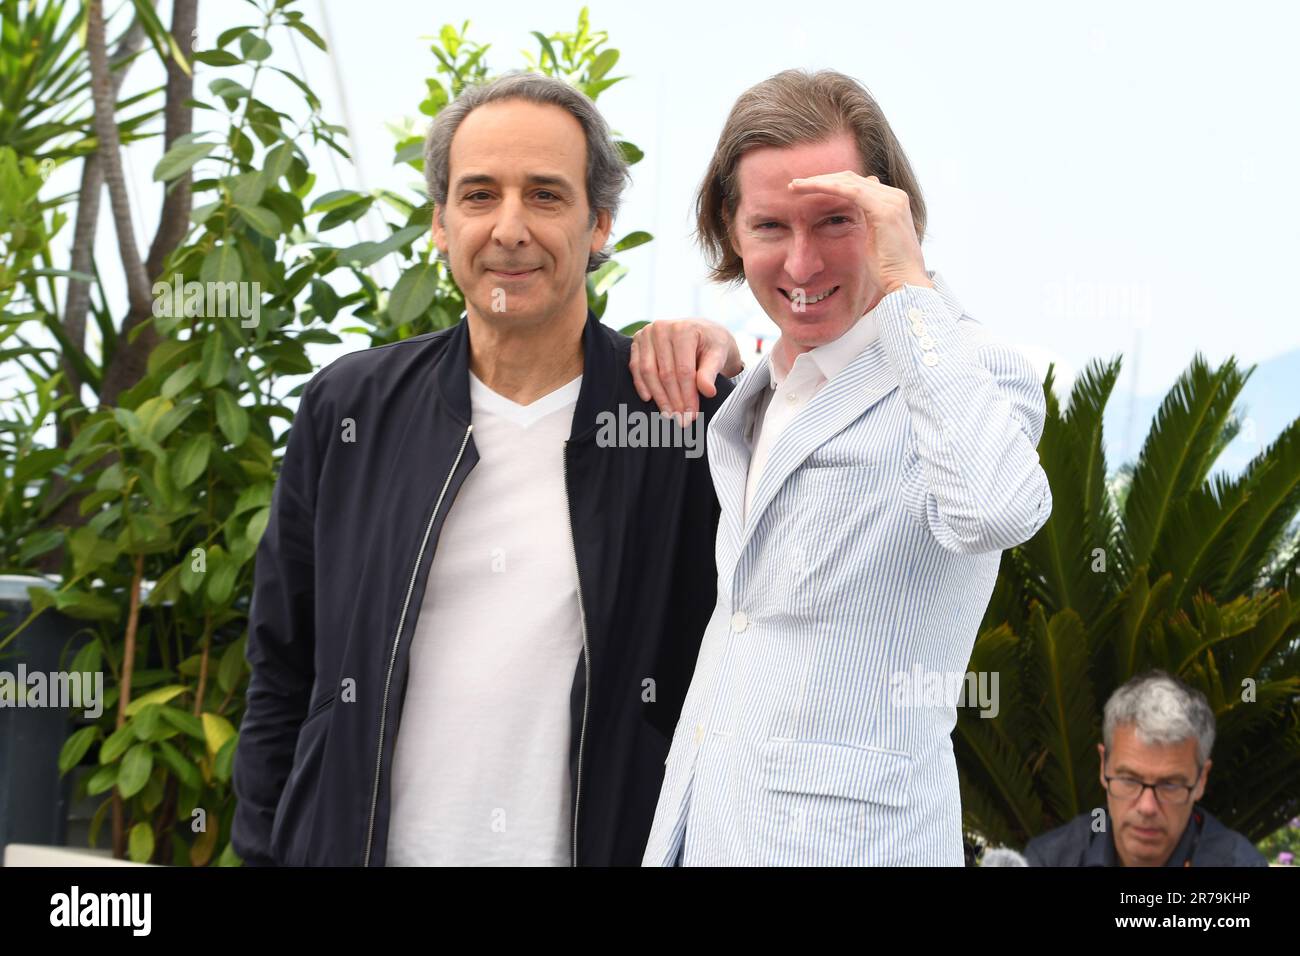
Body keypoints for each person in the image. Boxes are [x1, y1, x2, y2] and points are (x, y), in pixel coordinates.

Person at [231, 72, 731, 867]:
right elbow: (281, 671)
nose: (508, 228)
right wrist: (265, 851)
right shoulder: (348, 410)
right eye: (478, 195)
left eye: (544, 196)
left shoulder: (677, 425)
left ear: (600, 224)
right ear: (439, 222)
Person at [636, 69, 1053, 866]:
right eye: (768, 227)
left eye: (836, 220)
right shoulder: (758, 391)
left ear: (892, 215)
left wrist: (908, 286)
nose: (800, 262)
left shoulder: (970, 367)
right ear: (730, 233)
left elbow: (997, 509)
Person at [1024, 671, 1267, 867]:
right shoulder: (1049, 859)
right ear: (1103, 766)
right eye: (1129, 779)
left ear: (1201, 779)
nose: (1147, 807)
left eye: (1170, 784)